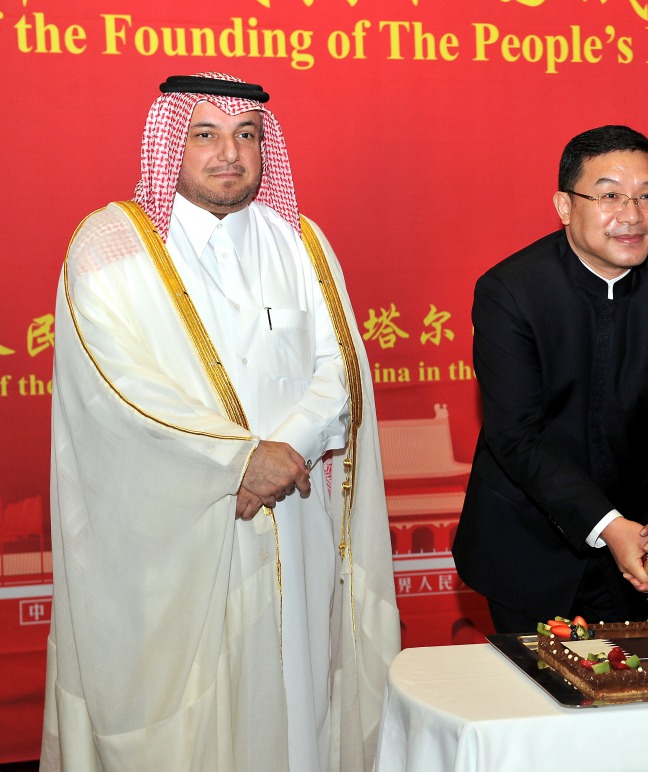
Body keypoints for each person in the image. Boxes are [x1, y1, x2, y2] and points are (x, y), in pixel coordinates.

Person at [41, 73, 400, 771]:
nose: (227, 153)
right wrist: (237, 461)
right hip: (176, 534)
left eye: (246, 135)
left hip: (294, 518)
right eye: (203, 135)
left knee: (298, 694)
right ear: (170, 142)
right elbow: (121, 389)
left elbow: (339, 365)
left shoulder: (299, 241)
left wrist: (285, 450)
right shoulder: (110, 246)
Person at [452, 125, 648, 634]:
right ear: (563, 206)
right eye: (609, 195)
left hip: (636, 553)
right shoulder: (510, 292)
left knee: (629, 700)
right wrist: (609, 526)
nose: (631, 215)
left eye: (647, 196)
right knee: (533, 703)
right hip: (526, 547)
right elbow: (517, 435)